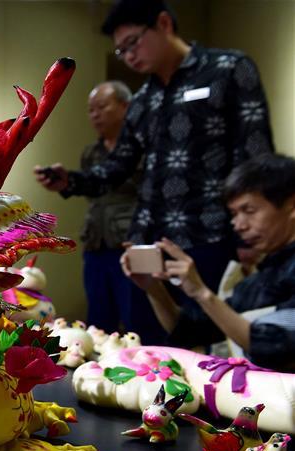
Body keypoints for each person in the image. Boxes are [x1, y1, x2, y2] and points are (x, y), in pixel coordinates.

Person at [35, 0, 274, 333]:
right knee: (150, 349)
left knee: (214, 348)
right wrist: (71, 181)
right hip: (150, 242)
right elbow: (118, 166)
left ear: (163, 23)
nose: (129, 56)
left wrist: (252, 232)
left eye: (132, 43)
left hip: (213, 234)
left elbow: (256, 157)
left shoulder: (229, 69)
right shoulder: (144, 99)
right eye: (121, 51)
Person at [121, 154, 295, 372]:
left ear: (291, 205)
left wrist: (202, 293)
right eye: (233, 214)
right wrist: (152, 287)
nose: (238, 225)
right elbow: (188, 332)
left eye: (249, 211)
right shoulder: (258, 280)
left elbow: (276, 348)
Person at [71, 80, 142, 334]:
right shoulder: (91, 153)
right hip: (96, 245)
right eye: (91, 109)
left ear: (125, 107)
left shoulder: (142, 149)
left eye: (101, 107)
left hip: (129, 245)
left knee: (137, 318)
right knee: (99, 320)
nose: (95, 115)